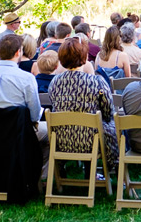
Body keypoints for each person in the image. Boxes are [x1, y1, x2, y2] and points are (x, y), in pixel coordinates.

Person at [48, 38, 118, 171]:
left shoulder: (54, 82)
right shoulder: (97, 82)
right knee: (111, 125)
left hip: (63, 140)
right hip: (91, 140)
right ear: (85, 57)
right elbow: (108, 111)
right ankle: (111, 166)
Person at [0, 34, 47, 141]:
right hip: (18, 134)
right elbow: (34, 116)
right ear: (18, 52)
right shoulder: (27, 78)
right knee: (49, 132)